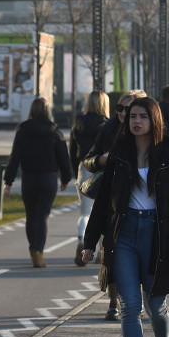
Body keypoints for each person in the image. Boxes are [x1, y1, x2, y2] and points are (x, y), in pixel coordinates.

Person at [81, 96, 169, 337]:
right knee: (130, 305)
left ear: (154, 119)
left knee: (156, 305)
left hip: (157, 235)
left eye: (142, 116)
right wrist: (90, 242)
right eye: (132, 117)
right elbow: (103, 203)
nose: (136, 121)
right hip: (124, 234)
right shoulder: (119, 153)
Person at [83, 89, 147, 320]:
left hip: (141, 208)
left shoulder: (153, 137)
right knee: (111, 255)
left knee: (137, 258)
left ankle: (134, 299)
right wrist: (101, 159)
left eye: (130, 110)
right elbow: (89, 160)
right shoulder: (107, 130)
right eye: (121, 109)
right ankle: (113, 302)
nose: (124, 114)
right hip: (112, 203)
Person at [3, 97, 73, 268]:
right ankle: (39, 252)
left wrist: (9, 181)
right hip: (48, 178)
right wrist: (65, 179)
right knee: (43, 216)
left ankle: (32, 249)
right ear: (48, 111)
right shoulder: (55, 133)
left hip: (29, 178)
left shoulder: (22, 131)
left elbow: (14, 158)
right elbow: (64, 159)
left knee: (31, 215)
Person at [69, 89, 110, 265]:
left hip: (84, 166)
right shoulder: (108, 125)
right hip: (102, 167)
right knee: (103, 210)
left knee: (85, 212)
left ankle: (81, 240)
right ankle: (100, 249)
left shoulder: (79, 123)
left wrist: (74, 169)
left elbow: (72, 149)